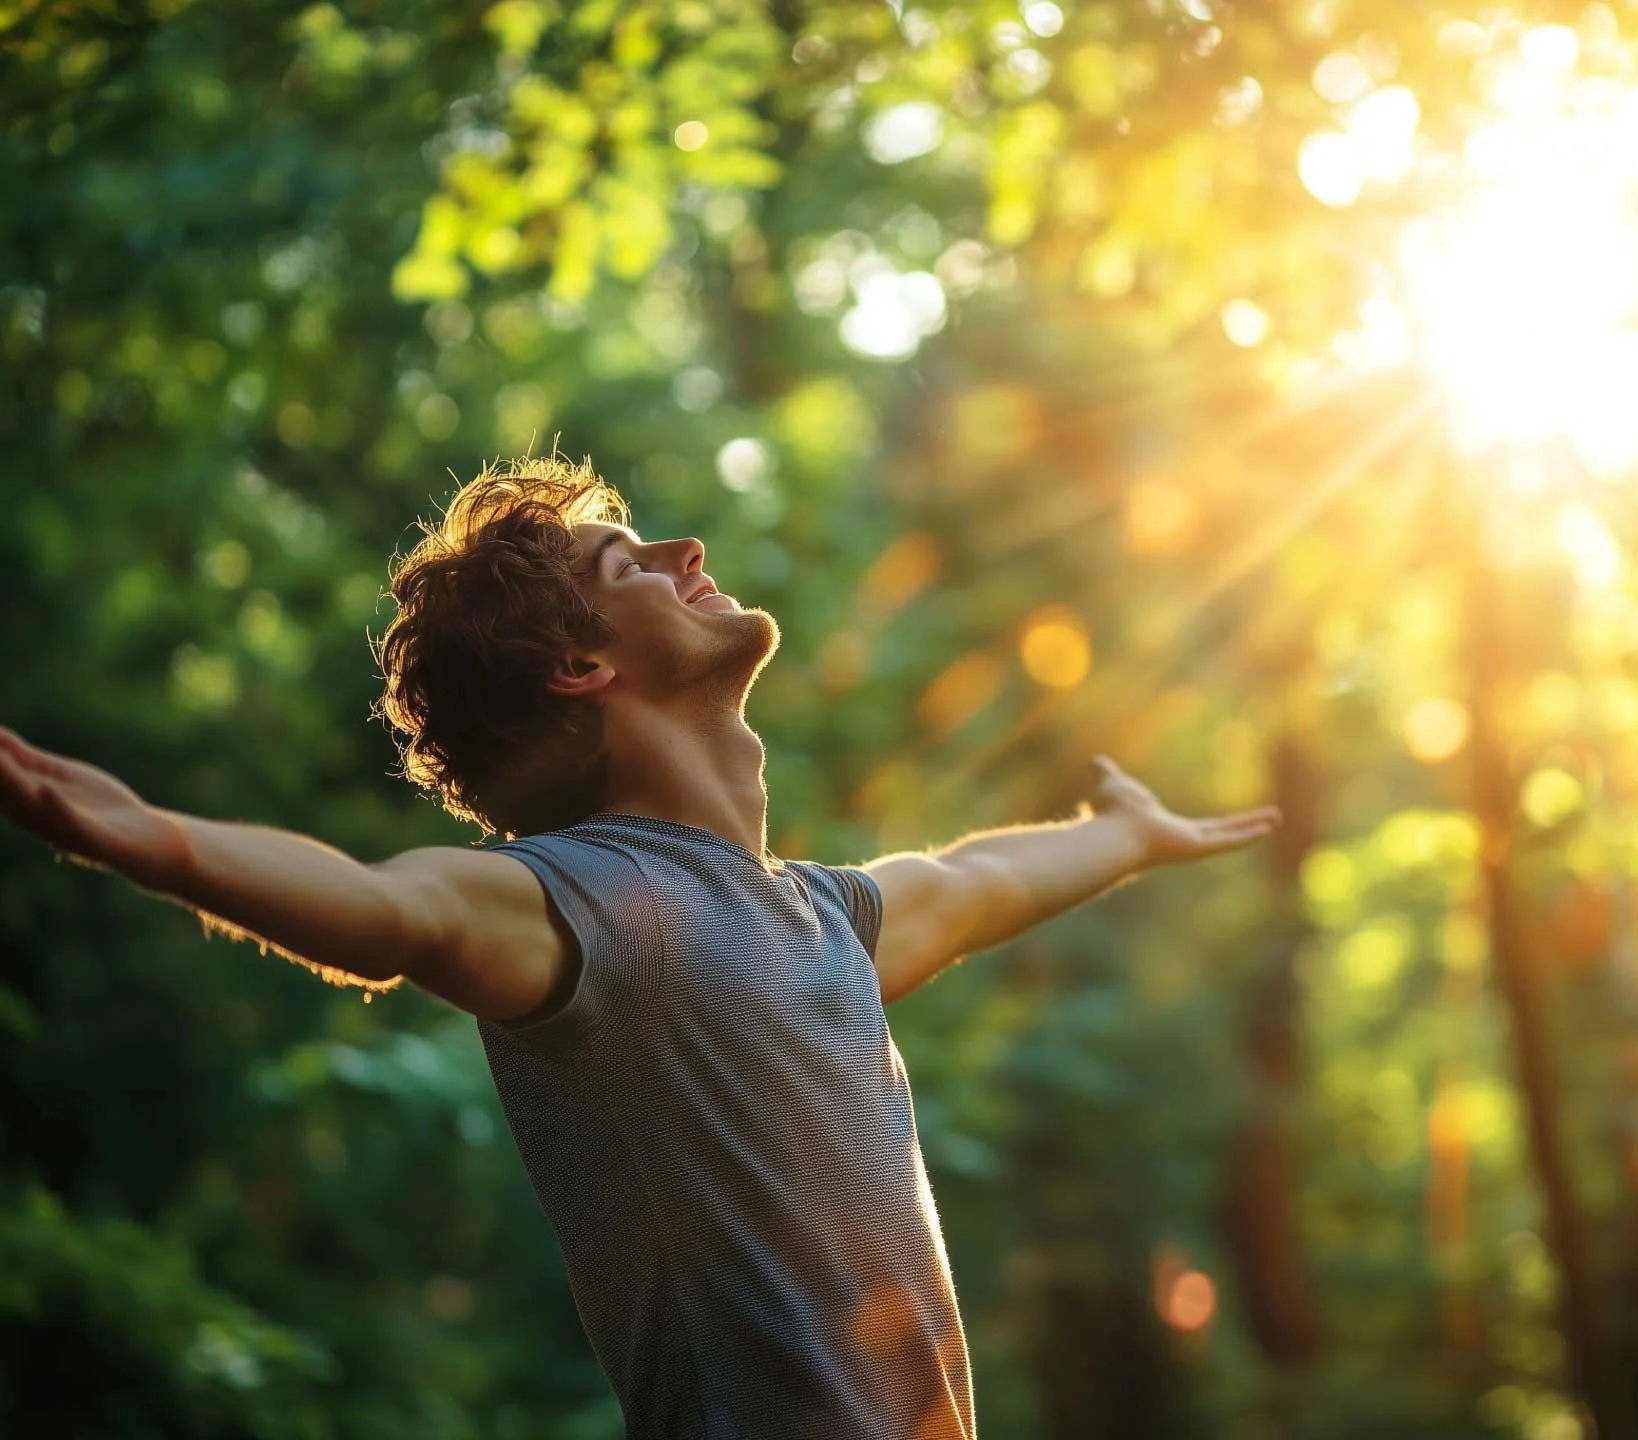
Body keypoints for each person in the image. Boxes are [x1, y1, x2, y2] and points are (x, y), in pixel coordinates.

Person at [0, 456, 1278, 1439]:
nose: (686, 548)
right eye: (631, 562)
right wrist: (138, 834)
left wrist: (1124, 834)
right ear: (579, 664)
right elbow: (387, 909)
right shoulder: (581, 907)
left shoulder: (823, 920)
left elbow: (973, 880)